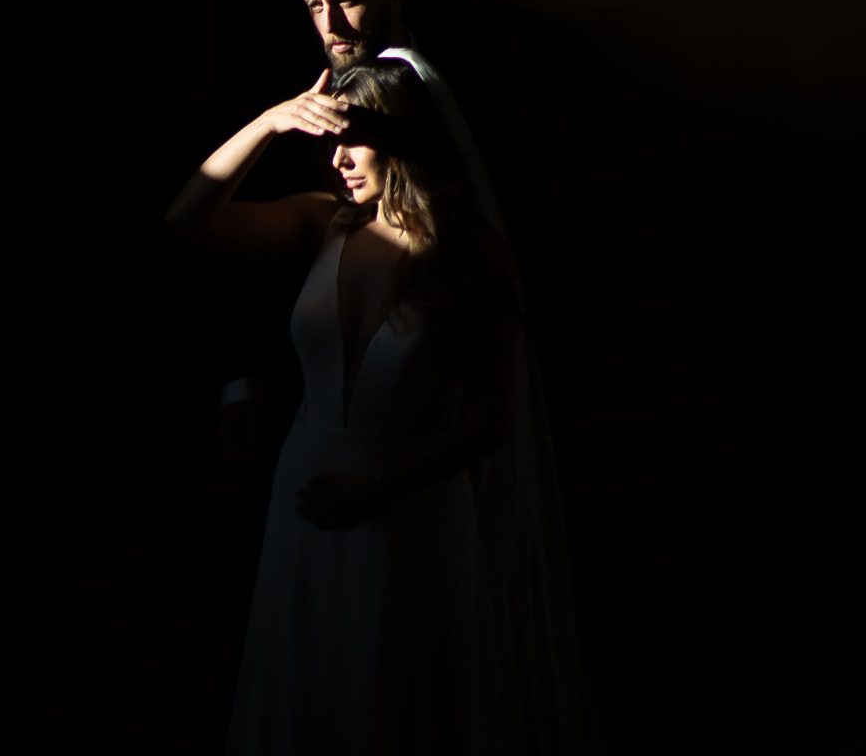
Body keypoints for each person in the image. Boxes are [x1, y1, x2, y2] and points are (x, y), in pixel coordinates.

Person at [169, 51, 580, 751]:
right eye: (329, 142)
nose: (337, 161)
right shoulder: (324, 223)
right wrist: (270, 122)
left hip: (408, 512)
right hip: (304, 500)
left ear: (403, 137)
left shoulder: (469, 257)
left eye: (352, 140)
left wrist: (375, 491)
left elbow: (490, 420)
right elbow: (188, 220)